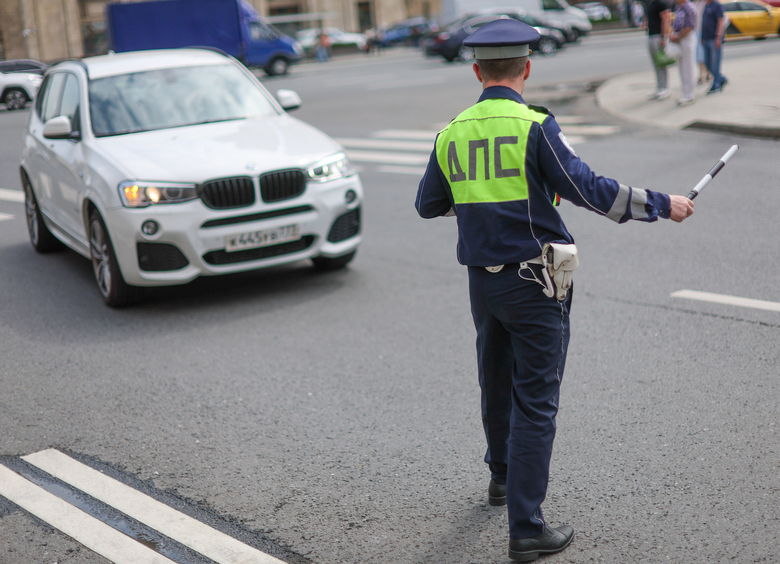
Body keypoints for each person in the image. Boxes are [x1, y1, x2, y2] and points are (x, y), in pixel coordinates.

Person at [414, 18, 694, 563]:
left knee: (494, 382)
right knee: (535, 402)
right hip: (534, 281)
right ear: (527, 68)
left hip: (482, 283)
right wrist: (664, 204)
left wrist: (481, 205)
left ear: (476, 70)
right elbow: (589, 189)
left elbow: (427, 204)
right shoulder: (534, 127)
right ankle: (526, 527)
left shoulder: (452, 132)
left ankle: (499, 480)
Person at [670, 0, 697, 105]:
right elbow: (675, 23)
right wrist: (673, 34)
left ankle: (690, 94)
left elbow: (690, 26)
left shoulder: (689, 7)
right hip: (679, 39)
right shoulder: (678, 8)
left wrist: (678, 36)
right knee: (681, 66)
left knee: (688, 66)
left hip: (687, 39)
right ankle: (685, 92)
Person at [646, 0, 672, 100]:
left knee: (661, 62)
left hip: (658, 36)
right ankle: (659, 86)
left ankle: (664, 87)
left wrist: (664, 36)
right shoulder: (650, 3)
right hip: (651, 35)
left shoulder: (661, 3)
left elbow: (666, 19)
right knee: (656, 63)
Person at [701, 0, 728, 93]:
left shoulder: (717, 6)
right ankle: (721, 78)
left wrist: (718, 37)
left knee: (715, 62)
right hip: (706, 38)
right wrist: (702, 37)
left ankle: (716, 84)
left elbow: (721, 21)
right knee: (706, 61)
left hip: (714, 38)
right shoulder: (706, 6)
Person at [693, 0, 711, 84]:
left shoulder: (704, 4)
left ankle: (707, 74)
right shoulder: (695, 4)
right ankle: (702, 74)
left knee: (704, 54)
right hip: (696, 31)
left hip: (703, 31)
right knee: (699, 55)